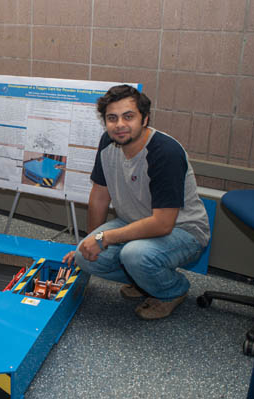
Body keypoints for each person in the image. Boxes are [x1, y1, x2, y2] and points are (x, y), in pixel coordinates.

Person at [63, 85, 210, 320]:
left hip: (183, 230)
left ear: (145, 119)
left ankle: (173, 291)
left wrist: (104, 238)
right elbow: (99, 197)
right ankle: (145, 281)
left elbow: (162, 224)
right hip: (134, 222)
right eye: (112, 118)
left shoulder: (165, 152)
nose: (120, 124)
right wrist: (90, 241)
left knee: (136, 256)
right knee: (84, 256)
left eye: (128, 116)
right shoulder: (108, 143)